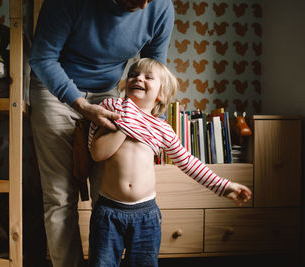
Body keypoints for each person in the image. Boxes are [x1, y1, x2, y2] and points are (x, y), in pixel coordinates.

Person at [28, 0, 175, 266]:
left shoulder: (160, 7)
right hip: (54, 89)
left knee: (107, 196)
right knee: (59, 197)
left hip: (108, 95)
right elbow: (42, 57)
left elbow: (156, 70)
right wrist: (82, 105)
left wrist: (154, 127)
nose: (144, 5)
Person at [88, 58, 252, 267]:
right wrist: (125, 120)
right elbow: (97, 153)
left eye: (148, 77)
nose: (138, 78)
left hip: (146, 215)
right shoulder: (112, 110)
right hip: (109, 211)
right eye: (133, 74)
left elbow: (188, 163)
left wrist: (224, 186)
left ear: (161, 95)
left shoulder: (161, 128)